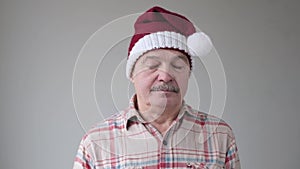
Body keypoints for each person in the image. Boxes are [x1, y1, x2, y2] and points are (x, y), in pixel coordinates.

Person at [73, 6, 241, 169]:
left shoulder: (220, 135)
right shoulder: (95, 143)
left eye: (177, 66)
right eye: (152, 65)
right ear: (132, 74)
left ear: (188, 74)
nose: (166, 76)